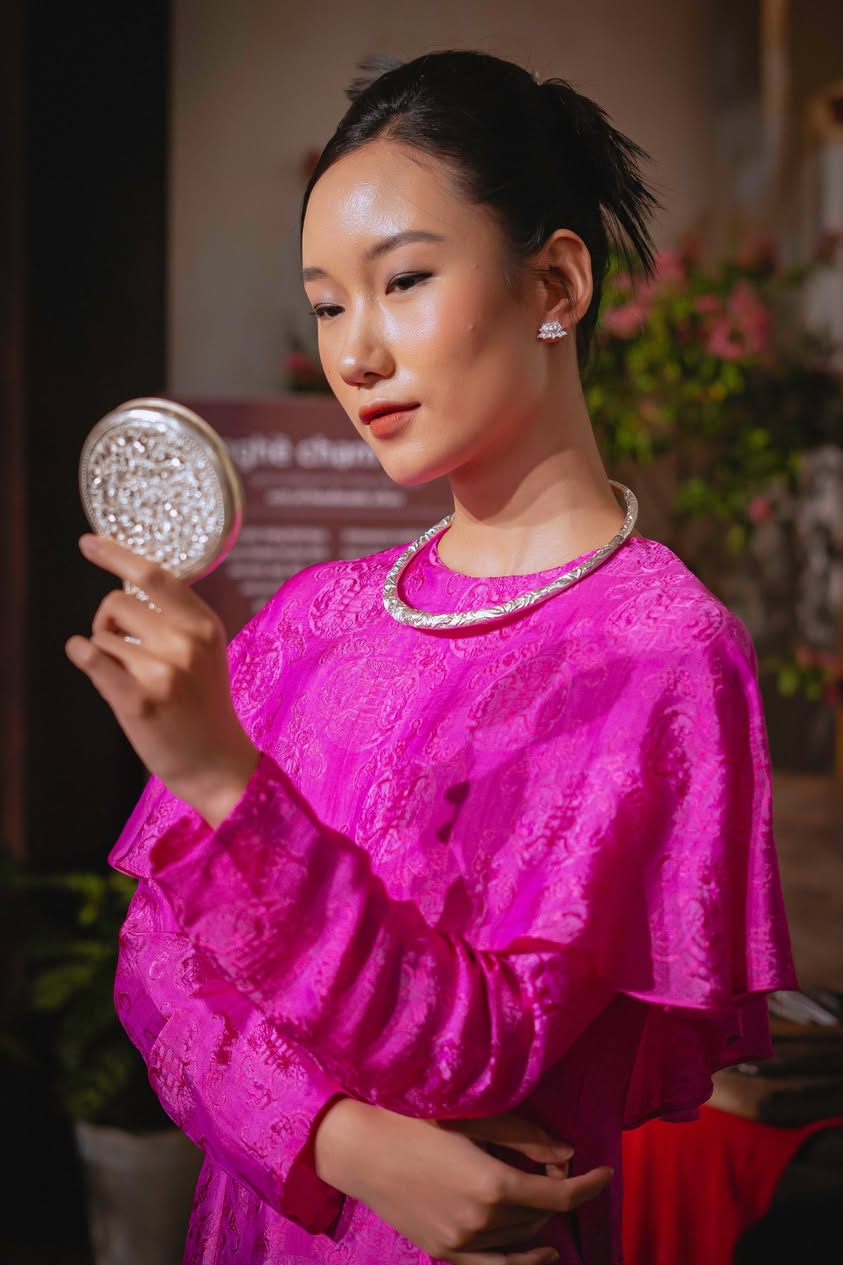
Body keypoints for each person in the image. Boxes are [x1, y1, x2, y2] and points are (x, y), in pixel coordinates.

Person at [66, 49, 799, 1265]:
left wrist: (226, 789)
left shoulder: (659, 653)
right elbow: (151, 965)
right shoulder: (310, 617)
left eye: (402, 279)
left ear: (556, 278)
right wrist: (338, 1137)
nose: (355, 352)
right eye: (327, 301)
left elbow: (479, 1044)